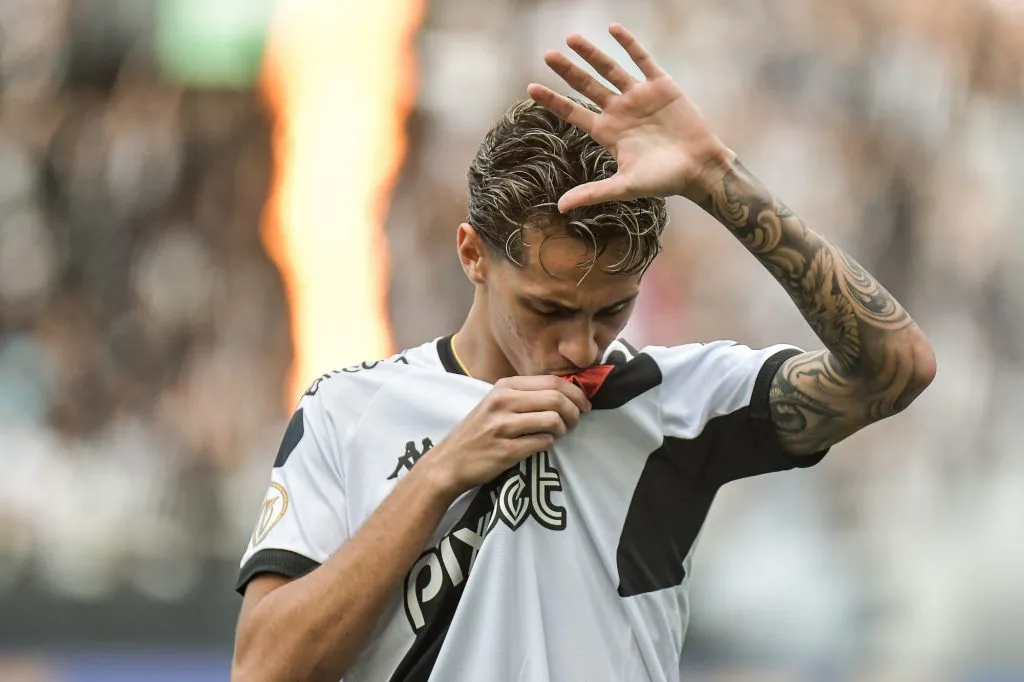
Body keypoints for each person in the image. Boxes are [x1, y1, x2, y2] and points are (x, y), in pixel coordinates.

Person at [230, 24, 936, 682]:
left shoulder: (672, 402)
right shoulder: (348, 410)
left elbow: (896, 366)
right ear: (473, 255)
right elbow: (263, 668)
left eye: (611, 310)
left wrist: (717, 177)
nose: (578, 344)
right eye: (548, 309)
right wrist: (441, 472)